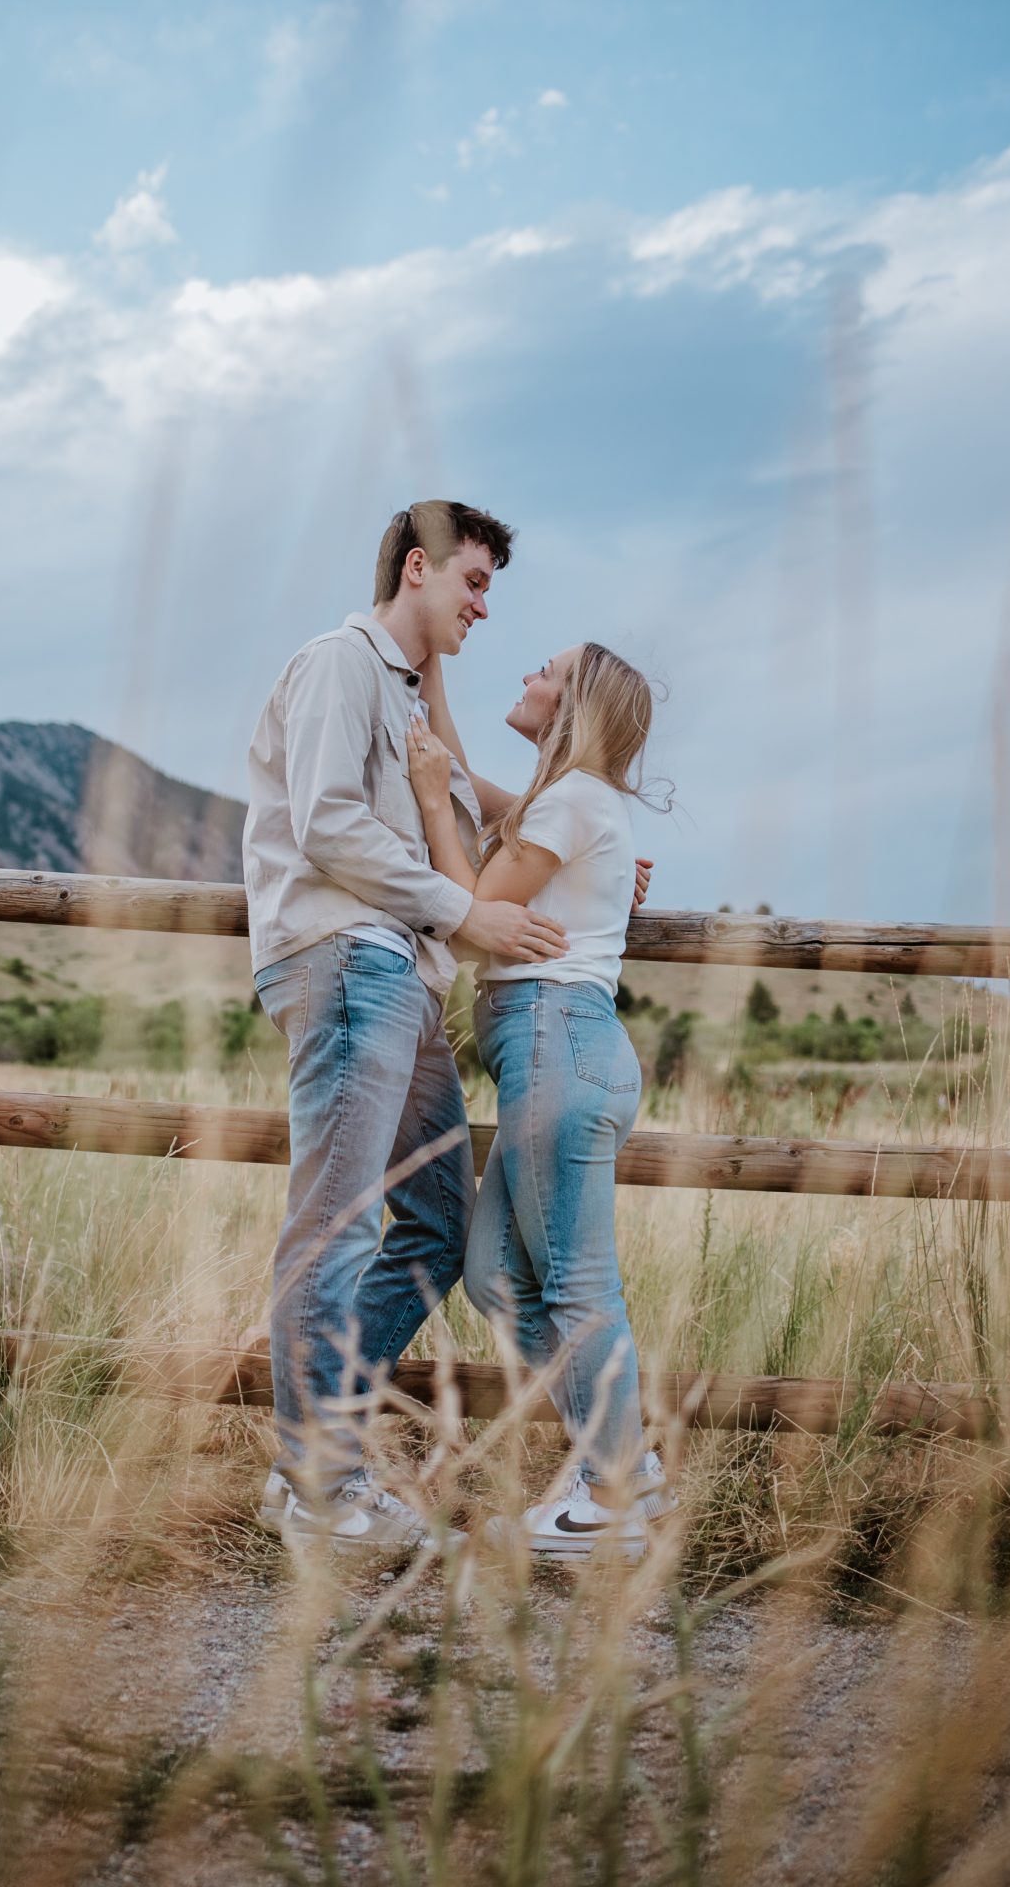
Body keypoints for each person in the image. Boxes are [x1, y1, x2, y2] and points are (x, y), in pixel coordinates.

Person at [243, 500, 573, 1548]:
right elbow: (329, 820)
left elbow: (463, 801)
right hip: (349, 960)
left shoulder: (404, 693)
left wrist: (565, 831)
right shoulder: (341, 663)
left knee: (434, 1222)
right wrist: (465, 911)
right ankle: (320, 1488)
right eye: (473, 582)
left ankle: (318, 1464)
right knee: (333, 1226)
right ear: (420, 568)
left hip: (403, 979)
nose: (483, 607)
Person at [406, 642, 675, 1559]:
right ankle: (623, 1468)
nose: (526, 672)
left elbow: (470, 902)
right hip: (544, 1048)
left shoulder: (567, 802)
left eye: (545, 669)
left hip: (558, 1039)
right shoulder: (557, 801)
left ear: (576, 705)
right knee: (491, 1273)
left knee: (576, 1287)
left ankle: (612, 1495)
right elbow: (467, 784)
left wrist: (436, 798)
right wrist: (433, 670)